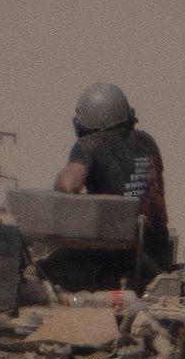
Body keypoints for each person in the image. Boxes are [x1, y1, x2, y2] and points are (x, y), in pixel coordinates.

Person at [54, 82, 176, 272]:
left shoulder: (88, 145)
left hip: (114, 253)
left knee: (45, 268)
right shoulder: (147, 141)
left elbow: (69, 185)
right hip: (156, 247)